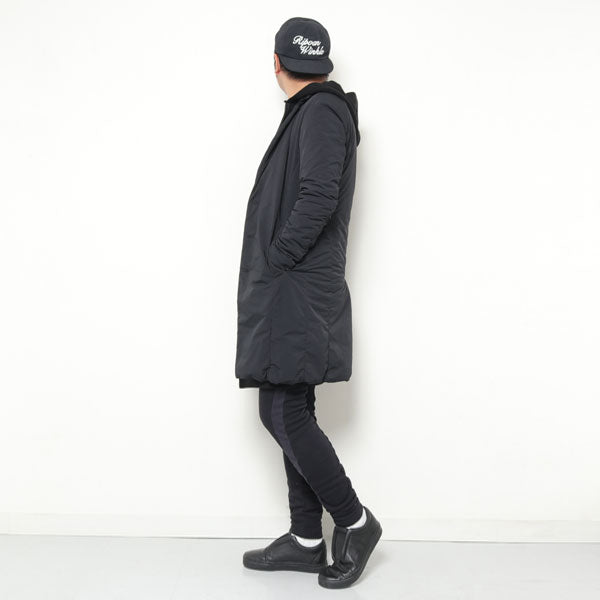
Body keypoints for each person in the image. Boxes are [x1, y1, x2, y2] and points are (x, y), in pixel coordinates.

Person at [235, 17, 382, 589]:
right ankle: (305, 540)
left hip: (298, 284)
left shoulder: (319, 112)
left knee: (284, 410)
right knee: (285, 405)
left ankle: (356, 521)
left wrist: (278, 256)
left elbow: (319, 195)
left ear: (276, 63)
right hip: (295, 285)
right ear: (323, 61)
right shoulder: (315, 110)